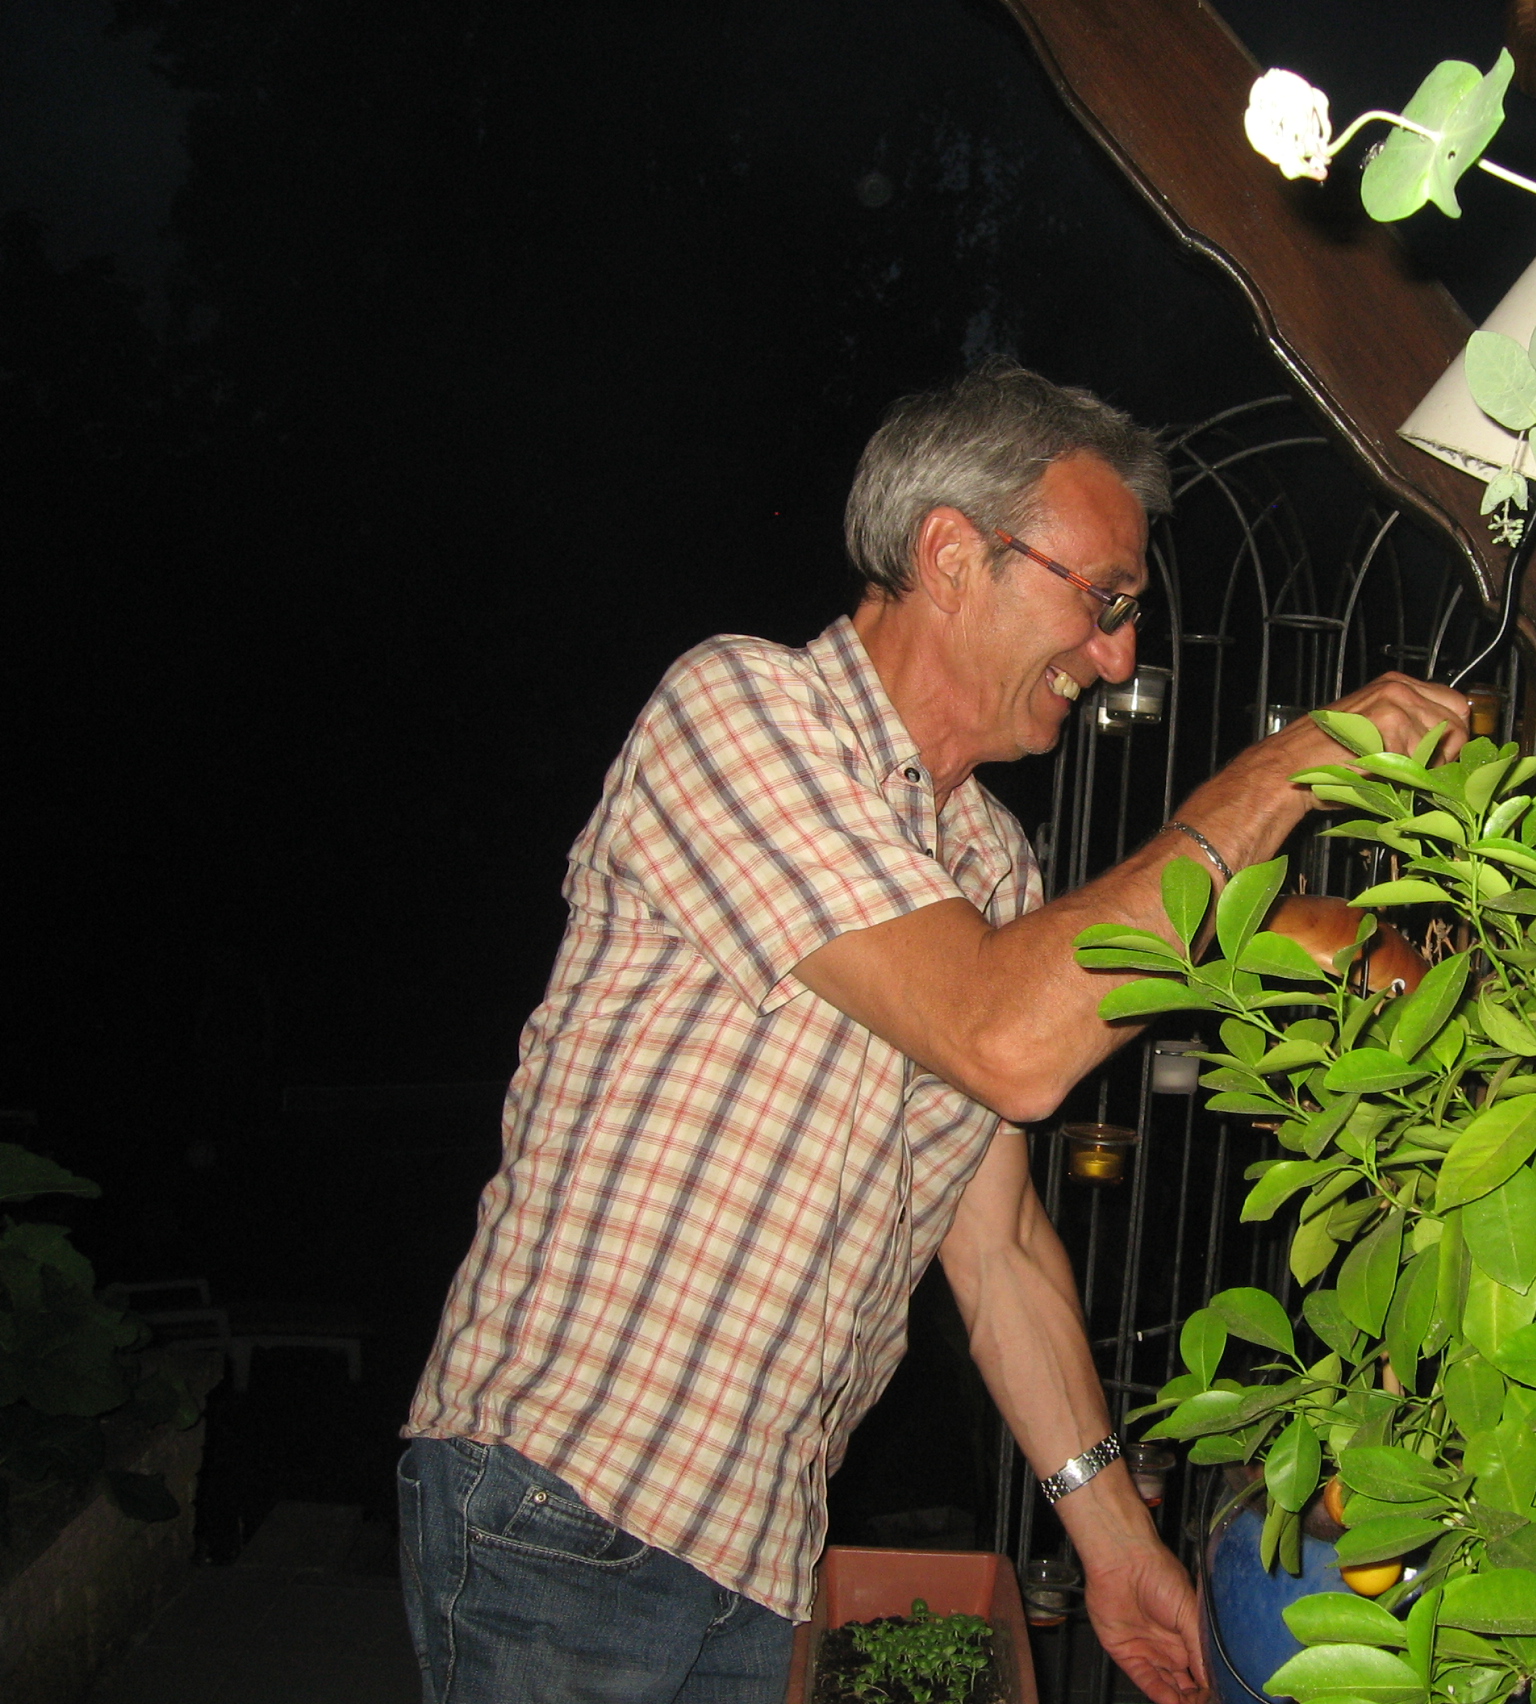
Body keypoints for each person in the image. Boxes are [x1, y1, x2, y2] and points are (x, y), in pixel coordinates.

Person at [397, 364, 1470, 1704]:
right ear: (953, 554)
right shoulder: (742, 715)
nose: (1119, 656)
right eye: (1105, 600)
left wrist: (1116, 1547)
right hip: (565, 1503)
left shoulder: (990, 868)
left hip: (755, 1547)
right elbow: (1004, 1036)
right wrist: (1286, 770)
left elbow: (1000, 1249)